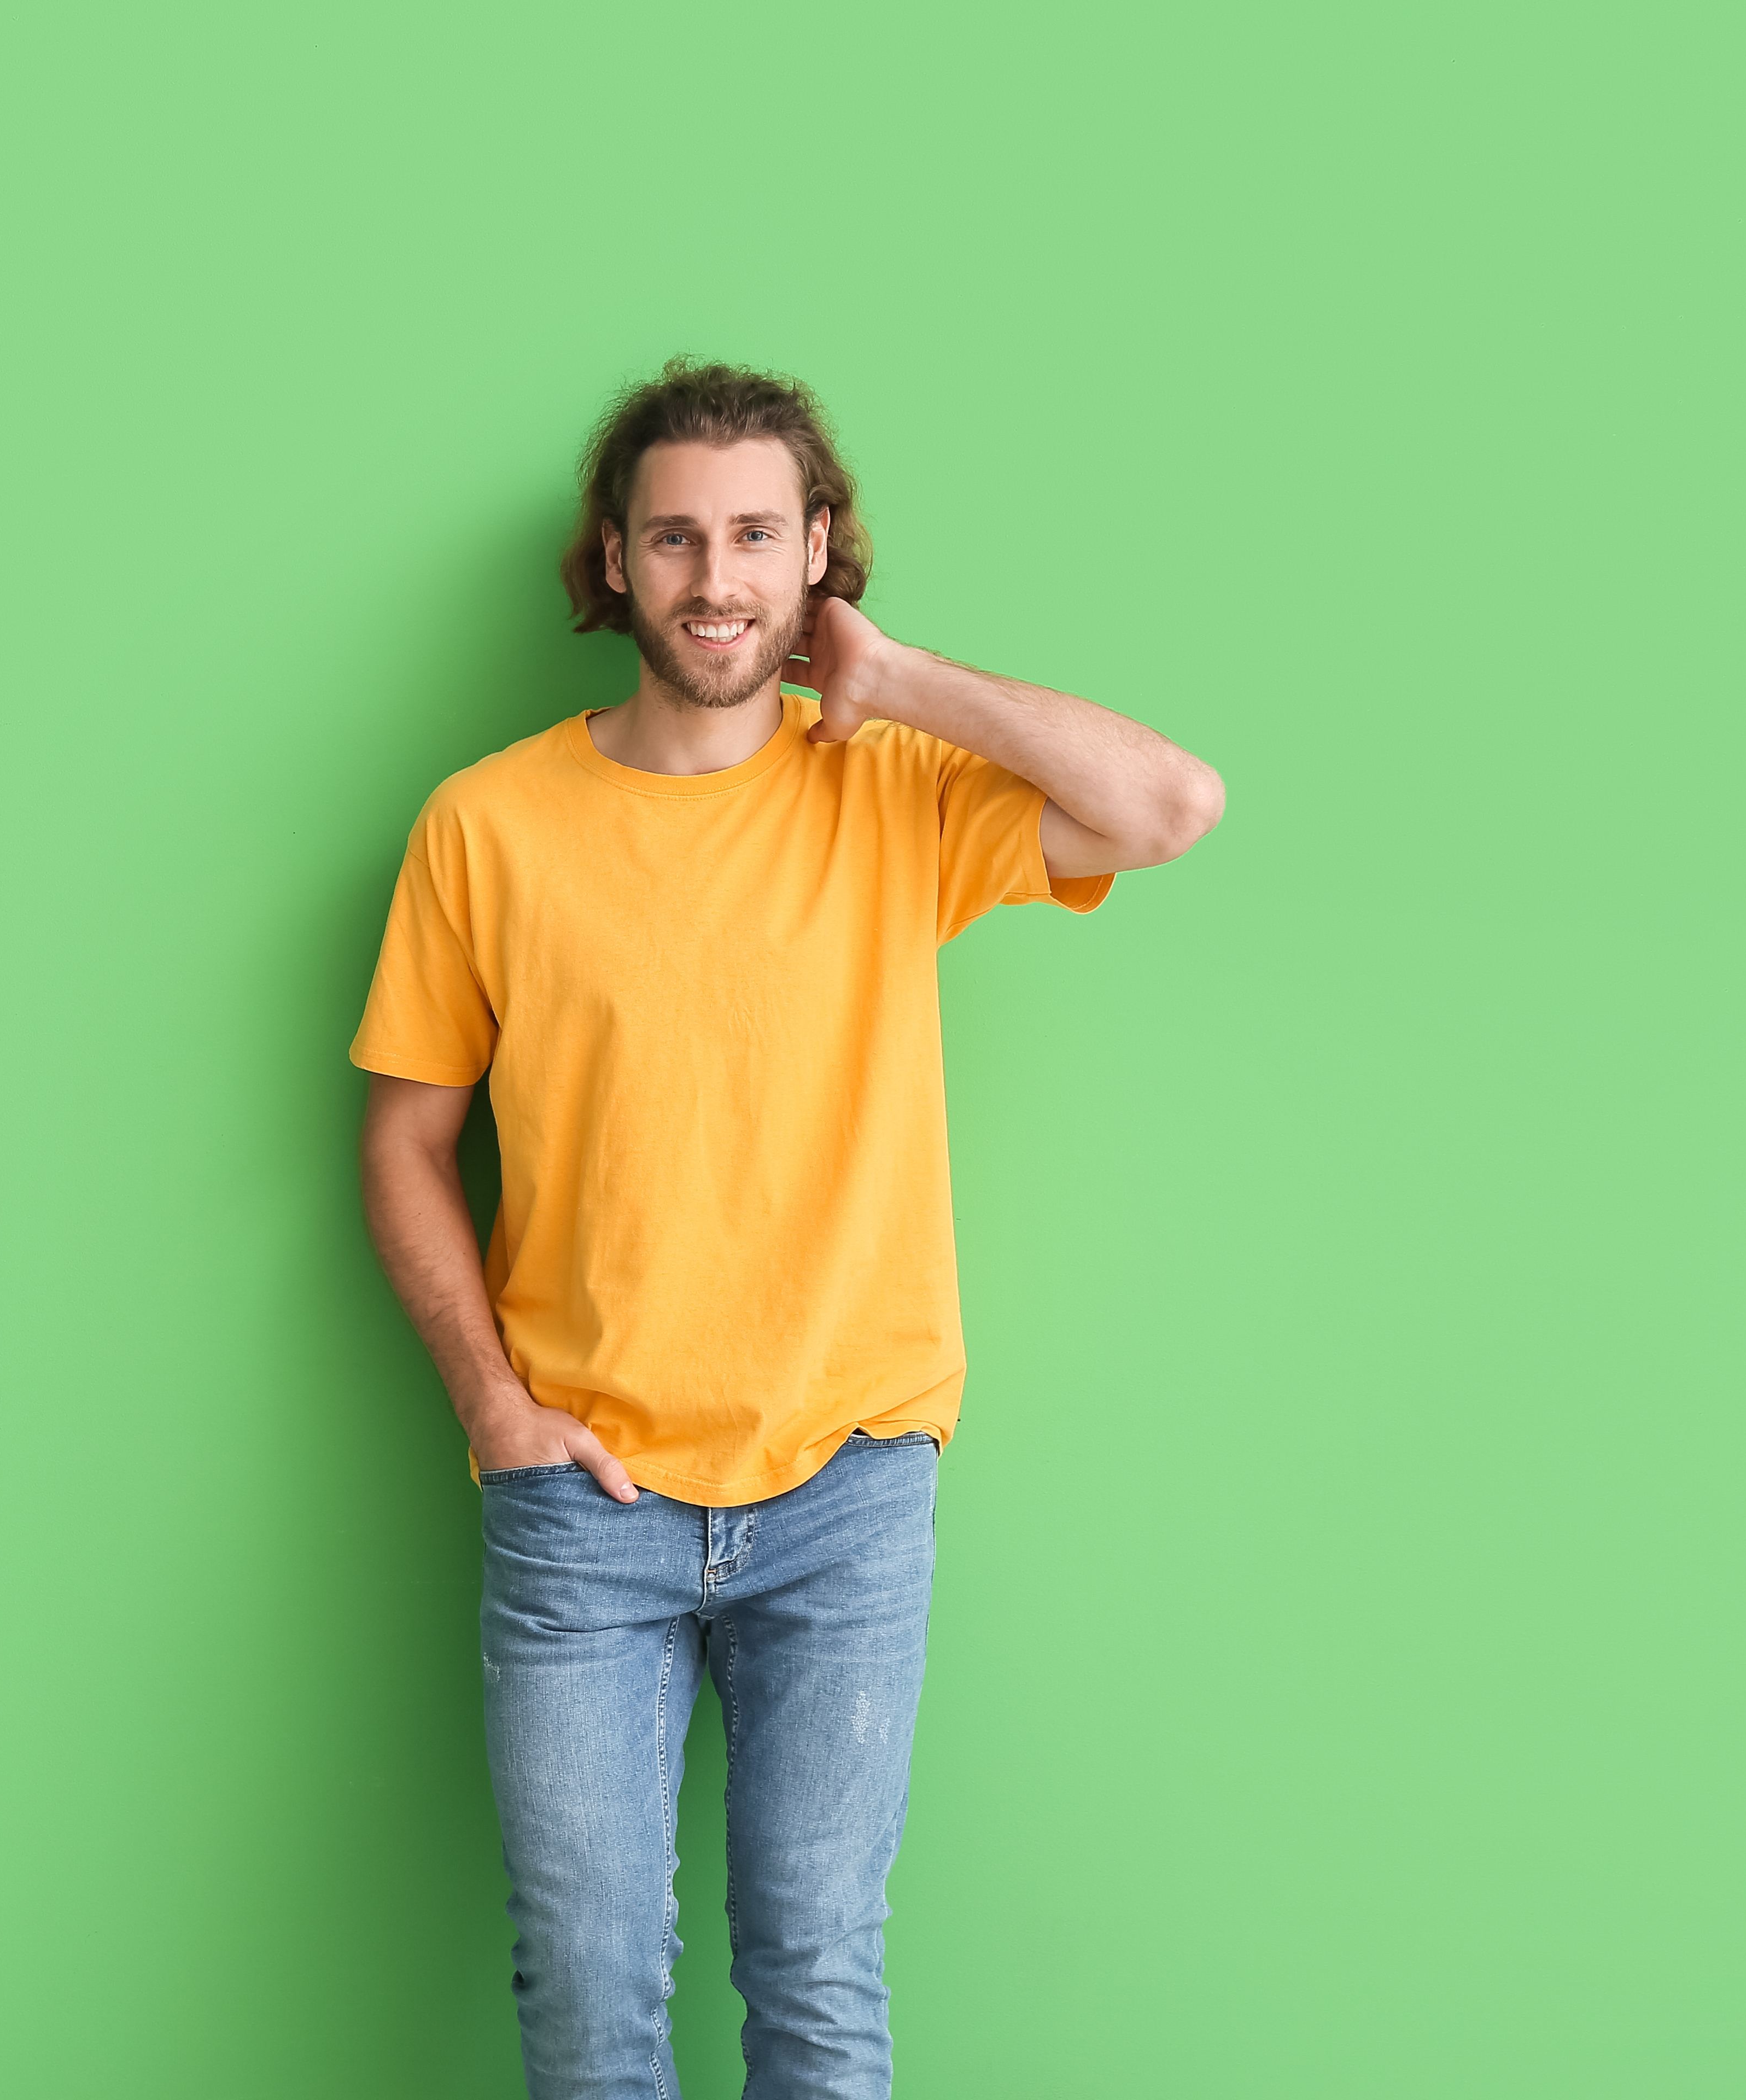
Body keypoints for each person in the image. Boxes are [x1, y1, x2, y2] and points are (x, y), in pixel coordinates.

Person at [351, 359, 1222, 2098]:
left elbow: (1170, 807)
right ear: (614, 562)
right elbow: (405, 1136)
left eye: (758, 533)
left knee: (817, 1984)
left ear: (818, 551)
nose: (717, 576)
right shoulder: (488, 826)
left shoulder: (891, 786)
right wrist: (490, 1409)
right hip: (580, 1499)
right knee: (591, 2000)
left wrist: (898, 680)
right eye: (675, 536)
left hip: (846, 1482)